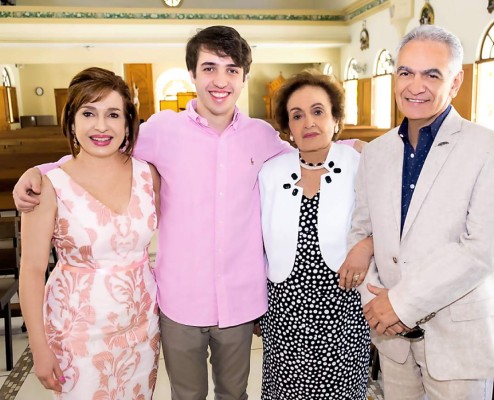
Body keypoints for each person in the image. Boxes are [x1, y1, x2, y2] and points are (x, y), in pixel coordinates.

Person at [13, 26, 362, 400]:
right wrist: (44, 170)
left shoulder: (261, 137)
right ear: (192, 74)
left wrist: (351, 147)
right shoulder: (162, 129)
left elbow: (307, 147)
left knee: (235, 394)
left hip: (240, 299)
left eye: (231, 70)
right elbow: (106, 147)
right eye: (209, 68)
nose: (220, 80)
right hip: (179, 299)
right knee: (186, 396)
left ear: (244, 77)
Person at [343, 25, 494, 399]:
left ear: (455, 82)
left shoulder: (491, 148)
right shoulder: (377, 153)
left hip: (458, 338)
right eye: (406, 72)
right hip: (392, 341)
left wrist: (400, 304)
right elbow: (361, 231)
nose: (415, 86)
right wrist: (376, 306)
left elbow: (482, 249)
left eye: (431, 74)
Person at [19, 67, 161, 398]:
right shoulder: (49, 186)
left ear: (127, 123)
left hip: (141, 329)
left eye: (113, 114)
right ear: (71, 122)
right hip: (77, 334)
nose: (101, 126)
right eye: (88, 113)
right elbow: (32, 271)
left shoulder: (147, 175)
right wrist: (39, 349)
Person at [258, 70, 372, 399]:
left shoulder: (360, 164)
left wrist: (367, 245)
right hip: (284, 314)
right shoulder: (270, 172)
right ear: (287, 128)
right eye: (297, 115)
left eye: (318, 111)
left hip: (344, 310)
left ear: (336, 119)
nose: (308, 122)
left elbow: (387, 225)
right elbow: (257, 244)